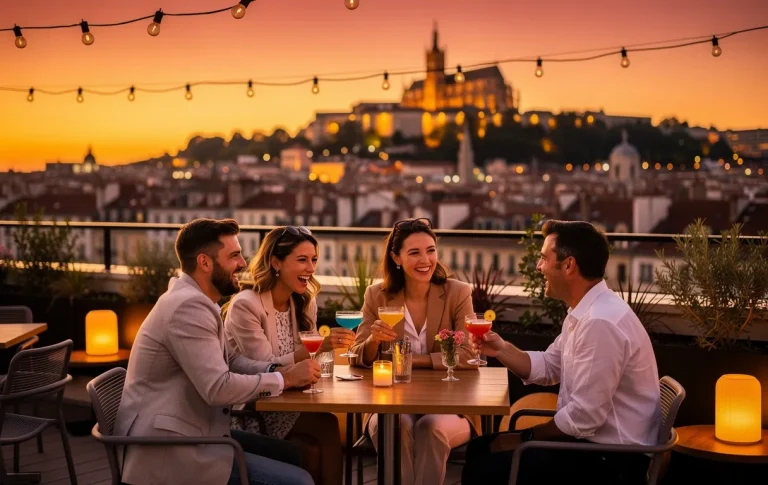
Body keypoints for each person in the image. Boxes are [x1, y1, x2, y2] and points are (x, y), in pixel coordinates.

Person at [114, 218, 319, 485]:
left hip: (196, 430)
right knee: (299, 481)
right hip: (169, 448)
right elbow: (218, 388)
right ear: (205, 262)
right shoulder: (188, 308)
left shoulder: (197, 299)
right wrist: (287, 379)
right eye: (234, 256)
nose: (244, 263)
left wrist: (276, 370)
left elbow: (230, 360)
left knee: (292, 455)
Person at [462, 220, 660, 485]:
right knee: (480, 448)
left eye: (544, 258)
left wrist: (525, 437)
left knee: (485, 466)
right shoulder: (587, 311)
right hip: (592, 448)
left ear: (569, 265)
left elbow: (583, 418)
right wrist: (500, 349)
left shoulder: (600, 322)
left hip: (612, 462)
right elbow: (549, 366)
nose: (538, 267)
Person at [349, 217, 479, 485]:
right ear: (396, 258)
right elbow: (358, 356)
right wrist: (374, 341)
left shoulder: (457, 293)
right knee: (396, 428)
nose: (426, 260)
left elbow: (468, 354)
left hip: (449, 405)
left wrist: (407, 361)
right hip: (389, 406)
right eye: (414, 252)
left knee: (431, 428)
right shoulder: (377, 296)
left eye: (431, 250)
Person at [223, 225, 354, 485]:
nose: (311, 268)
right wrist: (318, 346)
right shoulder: (246, 305)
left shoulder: (304, 301)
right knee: (325, 430)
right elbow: (265, 367)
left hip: (292, 398)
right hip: (254, 405)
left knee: (320, 439)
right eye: (302, 260)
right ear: (276, 262)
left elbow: (309, 364)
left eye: (314, 260)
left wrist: (318, 355)